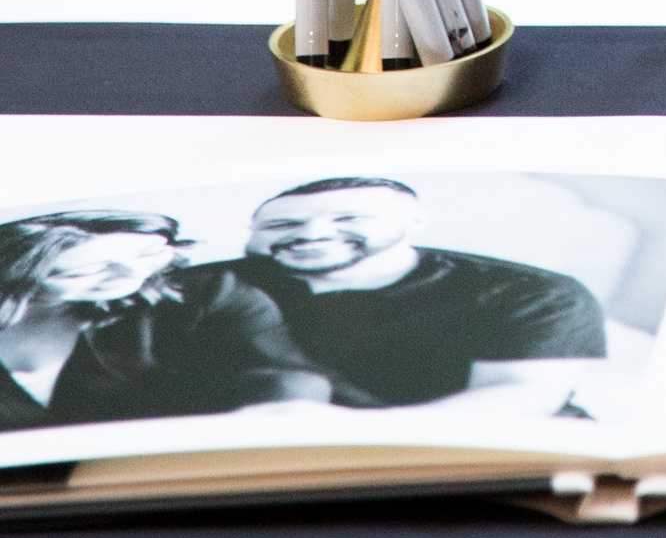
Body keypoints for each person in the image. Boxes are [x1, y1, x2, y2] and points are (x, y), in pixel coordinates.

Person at [238, 177, 606, 412]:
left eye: (351, 218)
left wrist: (337, 434)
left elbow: (520, 399)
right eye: (281, 224)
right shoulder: (209, 285)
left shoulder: (529, 292)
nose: (313, 234)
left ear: (416, 222)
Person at [0, 210, 324, 431]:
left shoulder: (207, 293)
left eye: (149, 255)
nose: (135, 275)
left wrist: (285, 407)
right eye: (85, 271)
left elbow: (281, 371)